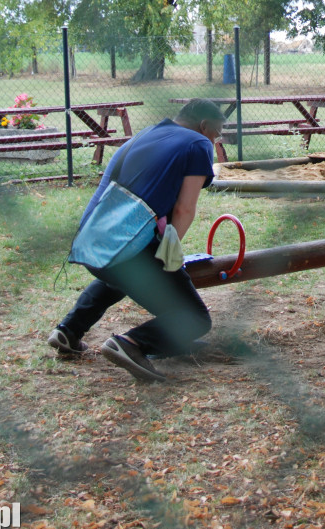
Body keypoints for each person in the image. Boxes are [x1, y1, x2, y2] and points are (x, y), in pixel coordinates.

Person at [48, 99, 224, 383]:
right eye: (216, 132)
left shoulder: (147, 133)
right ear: (204, 125)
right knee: (194, 318)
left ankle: (68, 331)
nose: (216, 140)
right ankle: (132, 344)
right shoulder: (197, 144)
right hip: (129, 245)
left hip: (95, 242)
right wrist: (168, 252)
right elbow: (184, 209)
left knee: (118, 278)